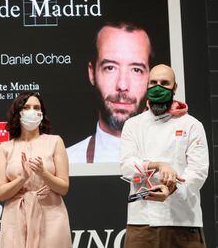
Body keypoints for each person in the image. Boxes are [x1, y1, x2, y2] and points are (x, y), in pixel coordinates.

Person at [120, 64, 209, 248]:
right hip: (142, 222)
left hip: (183, 221)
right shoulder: (132, 125)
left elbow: (198, 172)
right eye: (153, 82)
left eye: (164, 83)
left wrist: (173, 188)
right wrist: (158, 165)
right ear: (146, 85)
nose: (158, 87)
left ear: (174, 87)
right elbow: (127, 168)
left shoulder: (192, 125)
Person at [0, 91, 72, 248]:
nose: (32, 111)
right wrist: (22, 178)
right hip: (15, 218)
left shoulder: (55, 142)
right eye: (27, 107)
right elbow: (1, 193)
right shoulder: (5, 147)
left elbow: (63, 188)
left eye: (37, 107)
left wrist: (43, 173)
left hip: (51, 216)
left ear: (42, 113)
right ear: (18, 113)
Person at [67, 22, 152, 163]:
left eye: (136, 70)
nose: (122, 85)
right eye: (110, 68)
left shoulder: (171, 158)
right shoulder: (68, 161)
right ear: (92, 73)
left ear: (151, 77)